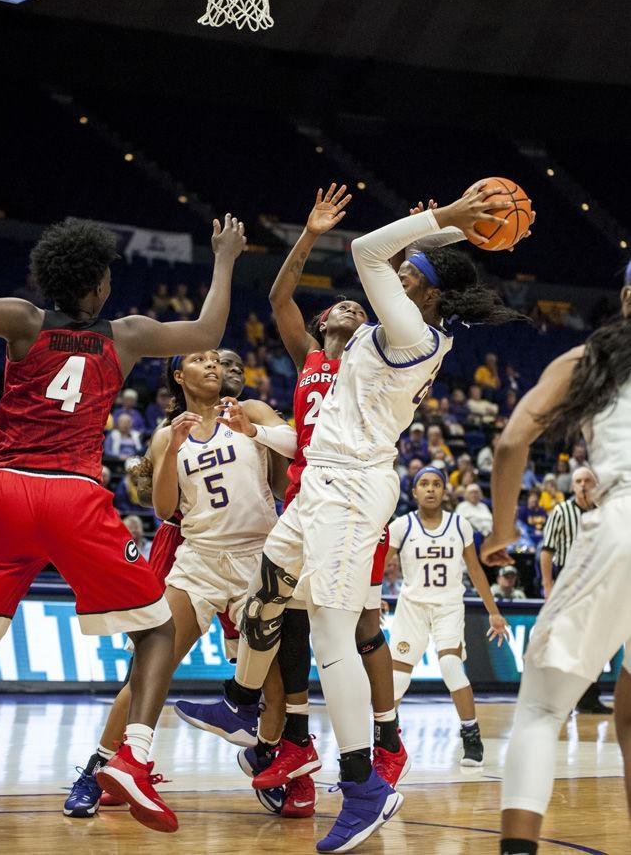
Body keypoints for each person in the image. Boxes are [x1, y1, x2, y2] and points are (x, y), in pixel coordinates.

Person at [176, 182, 531, 853]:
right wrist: (451, 230)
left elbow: (368, 250)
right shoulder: (409, 325)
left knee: (336, 638)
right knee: (265, 590)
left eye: (406, 275)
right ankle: (241, 701)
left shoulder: (410, 332)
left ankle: (364, 782)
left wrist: (444, 218)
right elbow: (389, 257)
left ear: (422, 293)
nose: (394, 274)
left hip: (351, 490)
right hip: (322, 485)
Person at [0, 168, 246, 833]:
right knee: (156, 628)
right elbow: (209, 325)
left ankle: (122, 761)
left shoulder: (20, 319)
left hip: (3, 492)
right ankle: (134, 757)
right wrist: (225, 258)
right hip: (72, 493)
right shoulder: (127, 334)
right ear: (95, 284)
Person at [177, 185, 408, 811]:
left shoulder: (373, 360)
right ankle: (281, 735)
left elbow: (406, 317)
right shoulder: (308, 356)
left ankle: (383, 747)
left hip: (355, 499)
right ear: (321, 325)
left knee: (358, 626)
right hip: (309, 497)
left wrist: (410, 241)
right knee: (280, 618)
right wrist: (307, 234)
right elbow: (280, 295)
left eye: (359, 309)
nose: (348, 310)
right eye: (339, 307)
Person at [67, 348, 295, 818]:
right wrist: (171, 449)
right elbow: (165, 508)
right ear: (178, 375)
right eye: (199, 358)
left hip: (259, 557)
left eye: (217, 358)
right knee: (152, 665)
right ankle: (102, 765)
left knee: (274, 683)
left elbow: (298, 444)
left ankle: (267, 756)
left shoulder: (249, 411)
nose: (212, 364)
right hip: (200, 560)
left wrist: (256, 432)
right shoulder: (165, 435)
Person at [481, 269, 631, 855]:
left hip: (623, 528)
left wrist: (501, 528)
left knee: (543, 709)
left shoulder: (591, 357)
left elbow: (513, 441)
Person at [387, 467, 508, 766]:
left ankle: (471, 734)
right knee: (397, 678)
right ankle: (386, 736)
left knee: (452, 667)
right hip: (412, 607)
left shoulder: (460, 524)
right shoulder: (401, 526)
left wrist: (494, 611)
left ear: (445, 491)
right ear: (414, 492)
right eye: (424, 484)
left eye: (437, 484)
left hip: (449, 607)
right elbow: (378, 566)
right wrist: (372, 598)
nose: (430, 489)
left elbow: (476, 570)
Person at [540, 466, 609, 715]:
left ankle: (588, 697)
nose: (582, 485)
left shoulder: (605, 514)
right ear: (572, 486)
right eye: (578, 481)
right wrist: (548, 586)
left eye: (587, 481)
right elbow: (546, 551)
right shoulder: (561, 511)